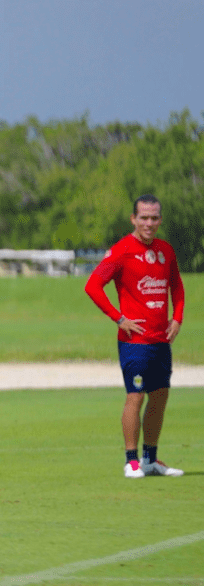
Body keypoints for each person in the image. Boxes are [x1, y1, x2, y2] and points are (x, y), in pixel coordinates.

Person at [85, 194, 184, 479]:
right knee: (135, 396)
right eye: (144, 217)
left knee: (160, 396)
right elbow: (93, 286)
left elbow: (176, 287)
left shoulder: (166, 250)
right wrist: (119, 318)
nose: (149, 223)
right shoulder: (122, 250)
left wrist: (177, 318)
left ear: (160, 220)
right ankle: (132, 461)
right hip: (134, 343)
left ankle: (150, 459)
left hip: (161, 341)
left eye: (154, 218)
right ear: (134, 219)